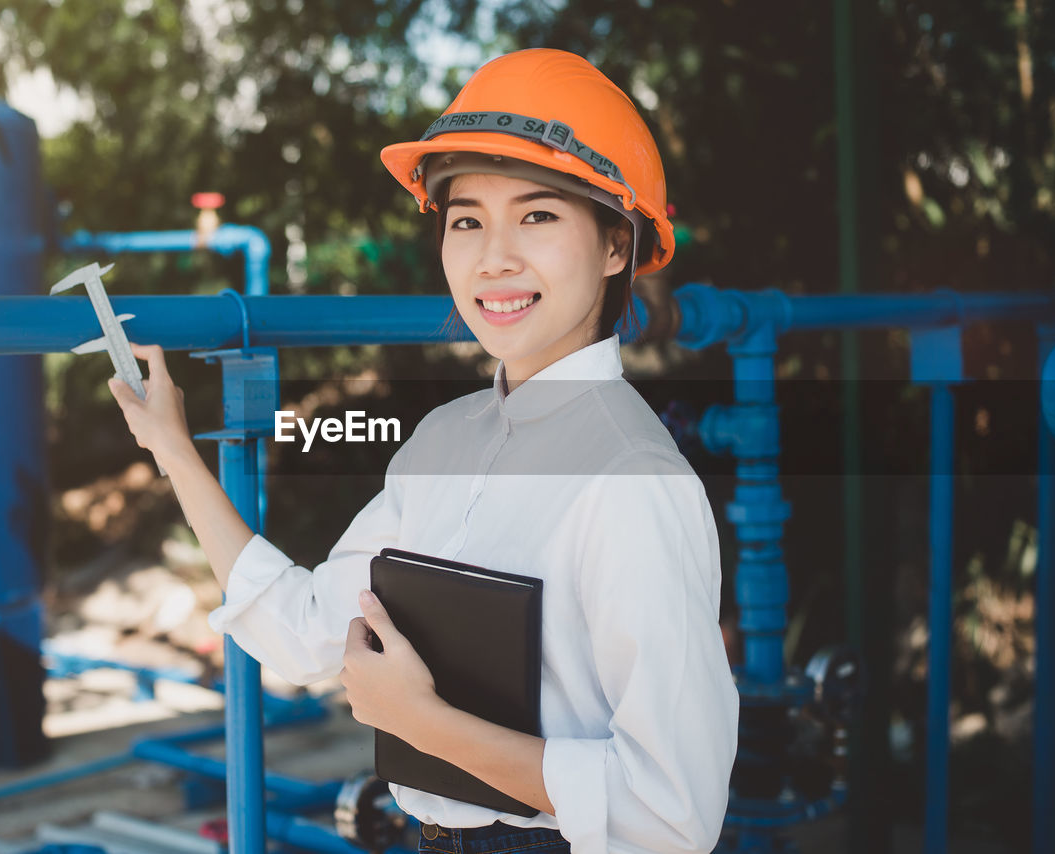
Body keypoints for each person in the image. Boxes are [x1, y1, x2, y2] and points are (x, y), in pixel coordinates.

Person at [108, 48, 738, 854]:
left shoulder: (631, 480)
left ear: (617, 244)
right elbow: (304, 629)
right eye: (467, 219)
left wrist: (425, 725)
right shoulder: (447, 439)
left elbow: (672, 815)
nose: (494, 255)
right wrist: (172, 446)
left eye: (538, 215)